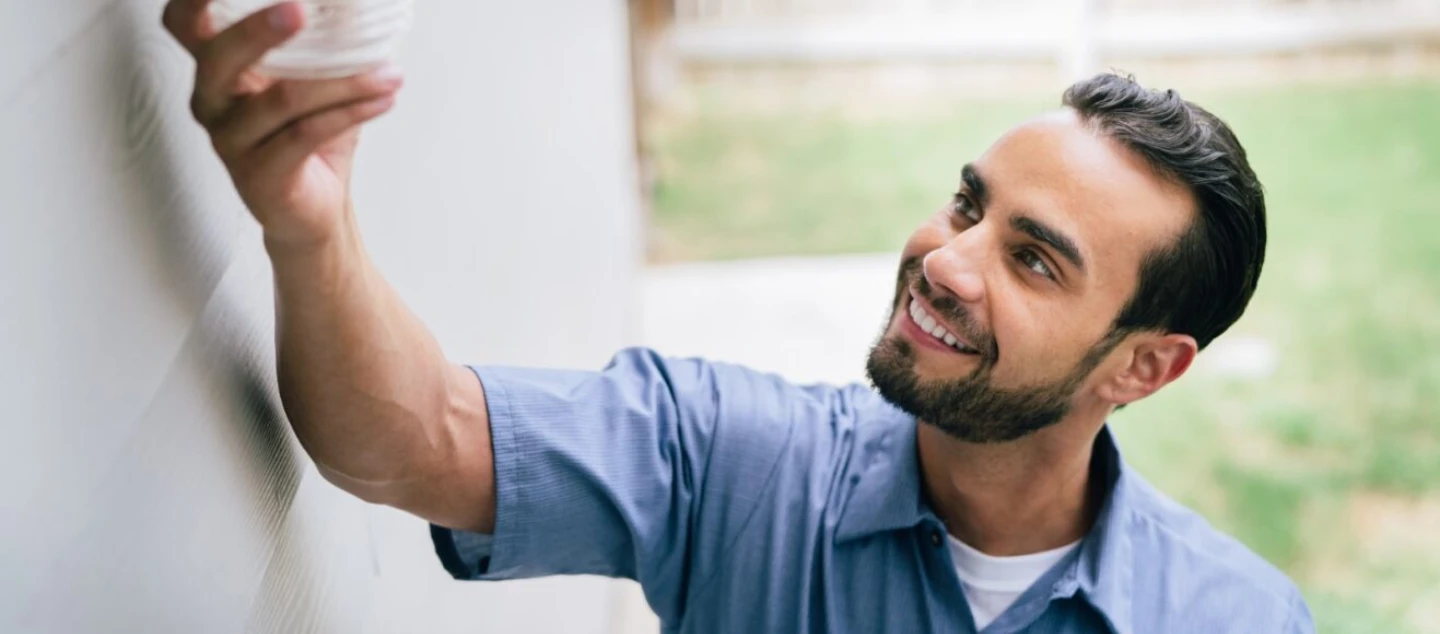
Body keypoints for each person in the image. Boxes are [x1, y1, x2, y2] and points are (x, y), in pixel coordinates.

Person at [161, 1, 1316, 632]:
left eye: (1033, 259)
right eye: (969, 203)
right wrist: (309, 228)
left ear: (1144, 368)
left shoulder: (1238, 620)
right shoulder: (726, 458)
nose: (946, 260)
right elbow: (414, 440)